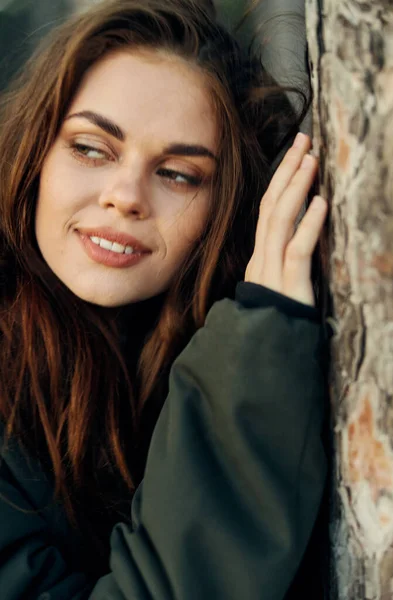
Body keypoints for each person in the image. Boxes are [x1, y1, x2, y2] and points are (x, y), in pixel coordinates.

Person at [0, 0, 329, 598]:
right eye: (91, 148)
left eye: (179, 173)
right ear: (34, 156)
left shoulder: (231, 337)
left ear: (225, 209)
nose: (125, 196)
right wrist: (253, 355)